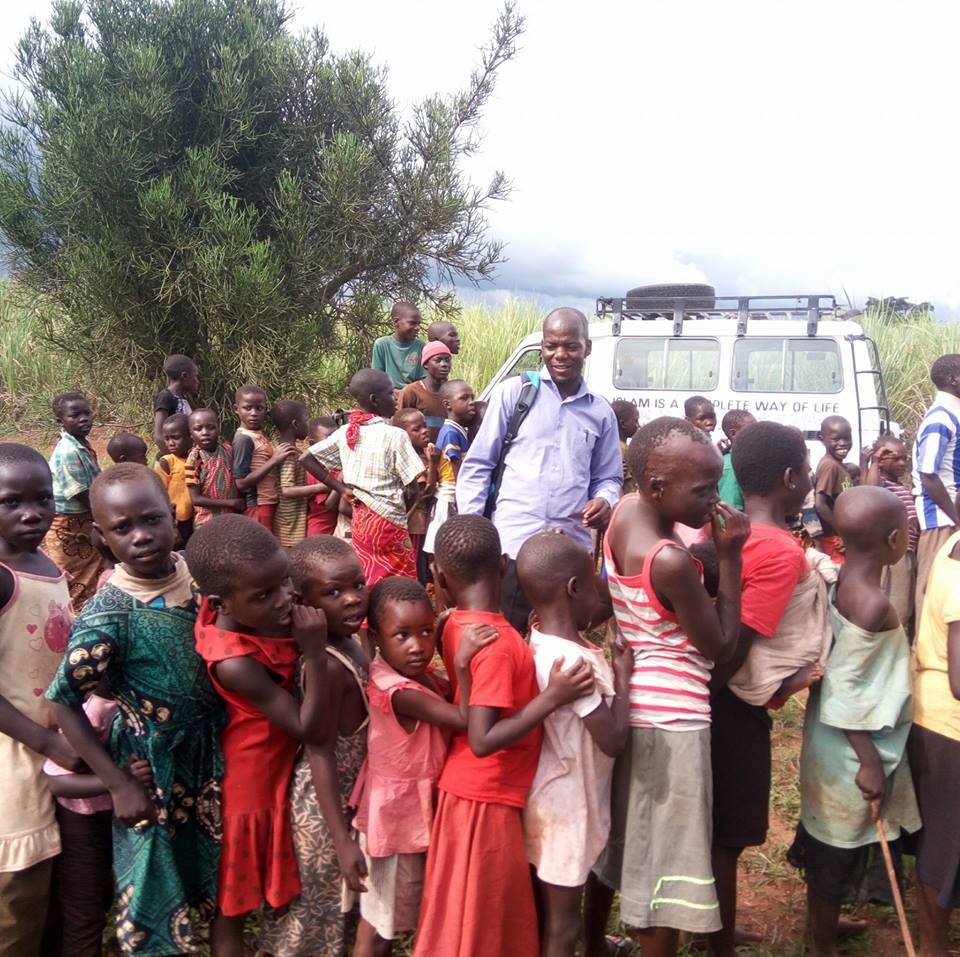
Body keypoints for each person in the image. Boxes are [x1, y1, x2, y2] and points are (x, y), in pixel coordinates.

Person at [585, 417, 749, 957]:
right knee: (667, 866)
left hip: (632, 703)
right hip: (674, 720)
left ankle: (592, 943)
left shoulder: (626, 514)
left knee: (627, 838)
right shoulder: (673, 561)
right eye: (702, 489)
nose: (713, 499)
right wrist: (729, 556)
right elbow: (720, 645)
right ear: (658, 487)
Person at [46, 463, 225, 955]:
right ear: (101, 536)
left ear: (172, 515)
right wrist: (117, 782)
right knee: (153, 888)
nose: (142, 536)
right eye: (123, 529)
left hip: (212, 752)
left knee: (214, 875)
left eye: (151, 520)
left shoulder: (199, 572)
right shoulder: (109, 614)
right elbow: (64, 702)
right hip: (153, 767)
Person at [413, 515, 596, 957]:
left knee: (464, 914)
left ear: (439, 574)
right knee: (481, 922)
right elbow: (483, 738)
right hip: (485, 794)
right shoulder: (495, 643)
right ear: (503, 565)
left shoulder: (452, 623)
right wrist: (552, 698)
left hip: (473, 790)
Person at [708, 421, 826, 957]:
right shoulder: (779, 552)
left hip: (713, 695)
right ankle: (720, 943)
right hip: (728, 702)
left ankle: (714, 926)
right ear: (790, 479)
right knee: (728, 837)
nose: (807, 476)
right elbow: (736, 648)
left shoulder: (727, 531)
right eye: (804, 468)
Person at [787, 485, 920, 957]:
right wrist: (868, 762)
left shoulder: (844, 582)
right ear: (892, 539)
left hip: (832, 740)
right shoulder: (874, 605)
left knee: (832, 841)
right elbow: (845, 687)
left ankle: (821, 927)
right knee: (837, 855)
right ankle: (820, 943)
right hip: (852, 752)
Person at [188, 515, 328, 957]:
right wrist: (315, 652)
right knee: (232, 909)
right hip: (250, 793)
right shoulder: (235, 663)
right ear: (220, 602)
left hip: (267, 776)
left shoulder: (230, 613)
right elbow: (308, 728)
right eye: (266, 594)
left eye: (285, 581)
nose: (286, 598)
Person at [351, 576, 496, 957]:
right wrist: (462, 661)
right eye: (402, 635)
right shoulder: (396, 690)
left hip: (411, 812)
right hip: (395, 820)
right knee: (380, 923)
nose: (418, 647)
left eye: (426, 632)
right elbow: (466, 717)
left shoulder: (411, 674)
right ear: (376, 640)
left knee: (398, 914)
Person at [457, 308, 622, 633]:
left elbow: (609, 477)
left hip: (568, 555)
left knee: (559, 649)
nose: (560, 355)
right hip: (511, 550)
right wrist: (476, 539)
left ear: (587, 348)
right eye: (551, 346)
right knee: (507, 644)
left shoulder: (600, 412)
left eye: (570, 346)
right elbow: (478, 465)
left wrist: (605, 499)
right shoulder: (514, 394)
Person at [517, 532, 632, 957]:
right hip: (568, 811)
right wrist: (622, 677)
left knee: (550, 918)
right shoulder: (574, 664)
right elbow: (614, 739)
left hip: (548, 797)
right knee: (563, 929)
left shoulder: (541, 640)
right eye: (593, 581)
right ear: (574, 588)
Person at [258, 535, 371, 957]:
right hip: (324, 816)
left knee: (333, 923)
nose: (354, 600)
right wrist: (342, 841)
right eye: (334, 592)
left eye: (358, 585)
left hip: (341, 805)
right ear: (304, 603)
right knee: (312, 928)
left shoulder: (346, 643)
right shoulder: (324, 664)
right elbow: (320, 751)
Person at [0, 443, 75, 956]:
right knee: (16, 899)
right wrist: (46, 746)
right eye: (11, 502)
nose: (33, 512)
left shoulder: (44, 562)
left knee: (50, 884)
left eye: (43, 499)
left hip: (55, 751)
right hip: (17, 756)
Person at [42, 689, 151, 957]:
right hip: (82, 821)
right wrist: (121, 780)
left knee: (101, 903)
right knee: (85, 914)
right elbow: (56, 782)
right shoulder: (93, 710)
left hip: (118, 821)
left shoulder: (138, 702)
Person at [300, 369, 425, 586]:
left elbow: (306, 458)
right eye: (390, 393)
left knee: (368, 573)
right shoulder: (395, 435)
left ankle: (368, 618)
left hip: (360, 519)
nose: (396, 397)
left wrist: (340, 489)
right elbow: (413, 489)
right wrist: (401, 511)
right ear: (375, 400)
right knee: (399, 577)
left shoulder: (347, 431)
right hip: (389, 519)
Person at [909, 519, 960, 956]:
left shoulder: (954, 542)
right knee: (944, 844)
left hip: (934, 712)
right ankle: (932, 947)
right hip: (951, 725)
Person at [44, 391, 103, 612]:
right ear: (61, 420)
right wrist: (106, 514)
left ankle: (87, 608)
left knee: (91, 567)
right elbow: (80, 493)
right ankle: (74, 615)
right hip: (69, 523)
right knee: (74, 573)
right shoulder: (68, 451)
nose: (84, 419)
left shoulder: (80, 444)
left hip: (83, 518)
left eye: (87, 413)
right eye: (75, 415)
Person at [913, 354, 960, 611]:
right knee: (932, 590)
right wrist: (957, 518)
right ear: (953, 379)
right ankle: (924, 650)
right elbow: (927, 473)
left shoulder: (952, 414)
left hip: (950, 518)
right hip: (940, 520)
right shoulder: (940, 418)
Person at [864, 434, 918, 637]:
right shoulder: (882, 483)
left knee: (906, 602)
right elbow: (871, 492)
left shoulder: (899, 486)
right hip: (895, 555)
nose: (902, 463)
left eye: (905, 458)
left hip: (908, 550)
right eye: (895, 458)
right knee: (896, 603)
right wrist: (874, 463)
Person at [423, 379, 477, 558]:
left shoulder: (458, 429)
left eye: (472, 397)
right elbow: (457, 469)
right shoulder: (450, 433)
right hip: (450, 496)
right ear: (448, 404)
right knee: (445, 547)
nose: (472, 403)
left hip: (453, 495)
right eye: (464, 398)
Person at [232, 384, 295, 530]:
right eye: (247, 408)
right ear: (236, 409)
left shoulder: (257, 436)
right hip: (257, 505)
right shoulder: (243, 439)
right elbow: (241, 483)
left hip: (268, 501)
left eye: (259, 408)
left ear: (265, 410)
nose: (253, 413)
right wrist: (274, 460)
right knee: (262, 549)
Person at [392, 408, 439, 584]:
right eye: (416, 429)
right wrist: (434, 464)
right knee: (416, 569)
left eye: (425, 426)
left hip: (425, 523)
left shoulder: (424, 453)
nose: (424, 431)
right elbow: (427, 491)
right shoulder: (411, 459)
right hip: (415, 525)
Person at [184, 409, 245, 526]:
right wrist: (231, 503)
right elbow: (196, 499)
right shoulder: (194, 460)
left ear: (218, 429)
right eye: (198, 429)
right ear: (191, 434)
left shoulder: (228, 450)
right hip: (207, 522)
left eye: (211, 427)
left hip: (233, 518)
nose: (205, 432)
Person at [271, 399, 311, 548]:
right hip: (290, 528)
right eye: (306, 420)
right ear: (295, 424)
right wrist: (323, 487)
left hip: (292, 523)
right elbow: (287, 490)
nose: (308, 424)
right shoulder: (288, 454)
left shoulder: (289, 450)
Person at [814, 414, 854, 563]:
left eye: (847, 438)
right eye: (836, 439)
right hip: (834, 539)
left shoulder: (839, 465)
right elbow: (820, 504)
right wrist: (842, 533)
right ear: (821, 438)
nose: (843, 444)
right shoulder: (829, 465)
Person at [398, 342, 453, 442]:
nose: (444, 364)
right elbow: (400, 427)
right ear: (426, 364)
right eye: (438, 360)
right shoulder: (411, 392)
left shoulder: (454, 392)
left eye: (447, 360)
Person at [154, 413, 194, 546]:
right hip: (177, 520)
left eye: (176, 438)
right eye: (167, 439)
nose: (171, 443)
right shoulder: (167, 462)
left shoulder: (196, 458)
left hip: (195, 516)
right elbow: (158, 493)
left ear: (190, 436)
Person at [304, 417, 345, 538]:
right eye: (328, 438)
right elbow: (330, 505)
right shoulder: (315, 470)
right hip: (320, 531)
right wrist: (341, 479)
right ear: (312, 444)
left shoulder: (334, 466)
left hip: (335, 530)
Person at [371, 302, 427, 388]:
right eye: (412, 323)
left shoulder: (420, 347)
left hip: (413, 395)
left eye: (419, 323)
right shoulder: (382, 344)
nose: (417, 328)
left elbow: (422, 381)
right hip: (388, 393)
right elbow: (377, 378)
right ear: (396, 322)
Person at [153, 354, 199, 448]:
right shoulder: (165, 397)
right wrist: (174, 459)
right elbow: (159, 436)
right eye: (195, 376)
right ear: (185, 376)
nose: (197, 381)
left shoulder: (185, 398)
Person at [716, 410, 755, 510]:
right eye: (752, 430)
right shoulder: (731, 466)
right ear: (733, 433)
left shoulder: (747, 460)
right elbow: (729, 512)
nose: (757, 434)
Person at [611, 399, 640, 495]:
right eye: (635, 421)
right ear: (623, 424)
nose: (638, 425)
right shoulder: (623, 448)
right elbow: (626, 483)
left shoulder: (614, 445)